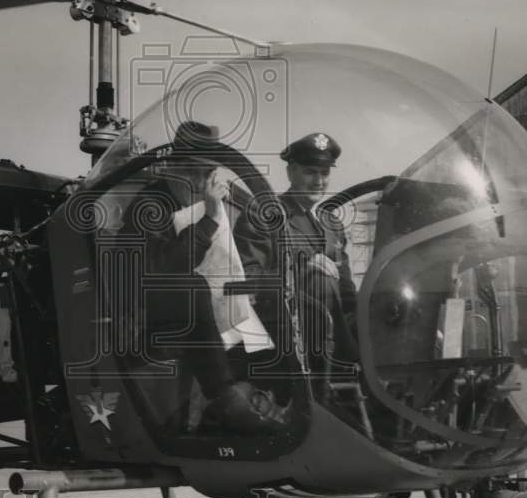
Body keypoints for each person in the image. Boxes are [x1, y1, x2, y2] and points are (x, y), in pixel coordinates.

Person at [118, 121, 288, 435]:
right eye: (193, 173)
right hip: (147, 315)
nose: (199, 182)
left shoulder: (219, 201)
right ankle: (223, 395)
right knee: (192, 285)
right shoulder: (149, 206)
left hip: (201, 312)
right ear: (170, 167)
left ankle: (279, 394)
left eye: (206, 173)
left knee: (272, 291)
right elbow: (163, 273)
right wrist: (209, 220)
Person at [276, 133, 359, 390]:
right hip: (289, 335)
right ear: (291, 172)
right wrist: (302, 270)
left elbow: (347, 293)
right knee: (320, 283)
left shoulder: (331, 223)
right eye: (310, 172)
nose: (319, 181)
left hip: (334, 331)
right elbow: (249, 274)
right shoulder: (267, 215)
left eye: (324, 173)